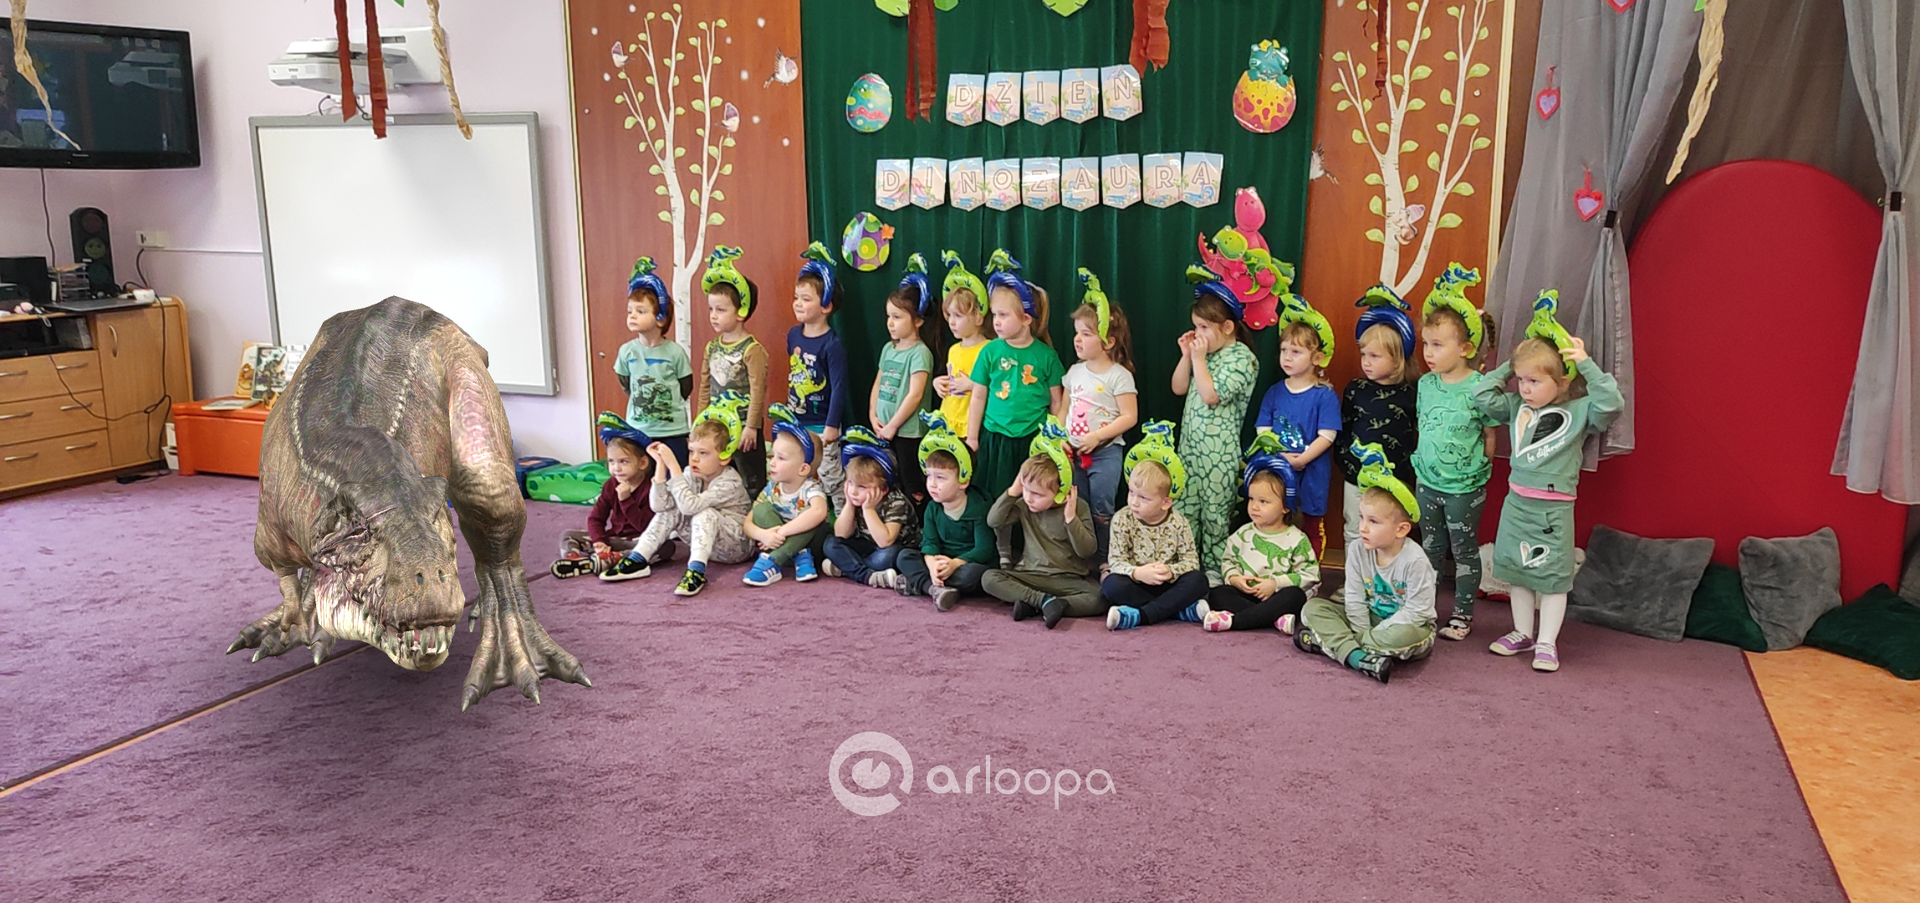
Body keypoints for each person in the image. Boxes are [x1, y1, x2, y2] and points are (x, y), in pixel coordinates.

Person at [1474, 290, 1624, 673]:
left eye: (1534, 381)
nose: (1525, 388)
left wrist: (1585, 363)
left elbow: (1612, 403)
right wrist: (1509, 367)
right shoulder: (1515, 406)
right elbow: (1481, 395)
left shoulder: (1580, 411)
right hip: (1517, 504)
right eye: (1521, 380)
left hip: (1553, 511)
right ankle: (1522, 632)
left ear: (1560, 382)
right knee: (1517, 573)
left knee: (1553, 579)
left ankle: (1546, 642)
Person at [1294, 445, 1437, 683]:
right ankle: (1356, 656)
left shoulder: (1416, 561)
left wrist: (1371, 634)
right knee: (1312, 608)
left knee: (1406, 637)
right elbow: (1354, 597)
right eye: (1361, 517)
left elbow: (1417, 612)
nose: (1363, 528)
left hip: (1404, 626)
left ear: (1401, 529)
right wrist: (1361, 630)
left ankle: (1335, 646)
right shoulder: (1358, 549)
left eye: (1373, 522)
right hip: (1366, 619)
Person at [1412, 263, 1499, 640]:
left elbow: (1491, 435)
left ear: (1465, 348)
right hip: (1427, 483)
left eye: (1438, 345)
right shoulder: (1425, 384)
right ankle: (1424, 611)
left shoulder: (1480, 387)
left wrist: (1478, 472)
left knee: (1463, 552)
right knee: (1429, 550)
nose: (1428, 353)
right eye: (1426, 343)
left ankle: (1462, 616)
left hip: (1464, 487)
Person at [606, 394, 756, 596]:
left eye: (703, 453)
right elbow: (659, 506)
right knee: (671, 508)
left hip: (737, 546)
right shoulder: (691, 474)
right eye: (692, 451)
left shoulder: (730, 481)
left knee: (703, 512)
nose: (694, 459)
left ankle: (696, 571)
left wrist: (673, 466)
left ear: (724, 457)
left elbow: (689, 506)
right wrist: (661, 466)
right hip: (706, 543)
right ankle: (639, 558)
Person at [1173, 266, 1260, 579]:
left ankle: (1214, 574)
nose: (1197, 334)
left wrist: (1198, 360)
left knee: (1214, 517)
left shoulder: (1242, 358)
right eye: (1195, 326)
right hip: (1190, 451)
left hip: (1219, 457)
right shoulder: (1203, 354)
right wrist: (1187, 356)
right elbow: (1178, 388)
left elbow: (1211, 395)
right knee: (1185, 513)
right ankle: (1185, 569)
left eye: (1204, 327)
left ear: (1227, 327)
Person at [981, 420, 1100, 629]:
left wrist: (1071, 520)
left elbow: (1087, 550)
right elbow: (994, 520)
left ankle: (1036, 605)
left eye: (1037, 494)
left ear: (1060, 492)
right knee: (989, 578)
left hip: (1067, 578)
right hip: (1030, 575)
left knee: (1098, 598)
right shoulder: (1023, 504)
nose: (1029, 497)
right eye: (1026, 490)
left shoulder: (1077, 506)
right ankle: (1044, 602)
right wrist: (1013, 491)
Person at [1337, 285, 1419, 583]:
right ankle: (1355, 585)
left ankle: (1389, 587)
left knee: (1390, 533)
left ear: (1398, 358)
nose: (1366, 361)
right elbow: (1344, 430)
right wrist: (1349, 467)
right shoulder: (1356, 389)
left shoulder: (1413, 393)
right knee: (1355, 529)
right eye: (1364, 354)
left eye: (1375, 355)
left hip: (1395, 479)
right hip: (1357, 477)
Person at [1201, 434, 1320, 633]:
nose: (1254, 507)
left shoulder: (1297, 539)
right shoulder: (1242, 534)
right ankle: (1273, 619)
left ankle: (1236, 622)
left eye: (1263, 502)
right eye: (1251, 499)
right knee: (1218, 593)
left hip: (1277, 595)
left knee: (1295, 596)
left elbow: (1310, 575)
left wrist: (1275, 584)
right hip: (1246, 593)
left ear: (1285, 507)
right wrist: (1235, 579)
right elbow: (1229, 561)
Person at [1254, 285, 1341, 558]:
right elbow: (1263, 428)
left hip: (1312, 476)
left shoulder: (1324, 395)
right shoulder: (1275, 391)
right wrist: (1280, 455)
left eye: (1296, 352)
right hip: (1278, 472)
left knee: (1311, 527)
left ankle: (1310, 573)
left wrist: (1302, 459)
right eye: (1284, 350)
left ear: (1317, 358)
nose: (1287, 357)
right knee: (1278, 523)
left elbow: (1328, 435)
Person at [1101, 421, 1208, 630]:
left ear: (1166, 502)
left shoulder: (1179, 522)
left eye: (1143, 498)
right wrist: (1138, 573)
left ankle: (1140, 615)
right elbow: (1116, 561)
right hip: (1137, 583)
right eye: (1131, 493)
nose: (1134, 502)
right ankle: (1178, 611)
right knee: (1111, 585)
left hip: (1168, 585)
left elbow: (1191, 562)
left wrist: (1170, 571)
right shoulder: (1122, 518)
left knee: (1198, 581)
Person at [1063, 268, 1139, 565]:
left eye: (1086, 334)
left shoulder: (1119, 376)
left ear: (1108, 341)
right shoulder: (1074, 372)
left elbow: (1129, 416)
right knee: (1077, 506)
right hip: (1073, 453)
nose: (1077, 340)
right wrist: (1059, 437)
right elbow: (1063, 409)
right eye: (1077, 333)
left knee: (1101, 509)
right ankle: (1080, 559)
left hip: (1105, 454)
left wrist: (1097, 437)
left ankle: (1106, 560)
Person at [895, 412, 996, 611]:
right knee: (903, 556)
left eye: (940, 478)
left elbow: (984, 549)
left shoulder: (979, 508)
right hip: (941, 561)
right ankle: (934, 588)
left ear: (963, 481)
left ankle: (923, 584)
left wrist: (955, 563)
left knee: (976, 575)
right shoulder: (933, 507)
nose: (932, 484)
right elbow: (929, 543)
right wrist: (932, 564)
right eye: (929, 476)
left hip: (965, 564)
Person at [697, 246, 770, 495]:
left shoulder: (752, 349)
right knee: (719, 478)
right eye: (711, 309)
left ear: (741, 312)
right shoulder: (711, 347)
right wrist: (700, 424)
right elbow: (705, 386)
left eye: (721, 310)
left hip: (744, 428)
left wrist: (751, 426)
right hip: (717, 428)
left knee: (751, 480)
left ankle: (754, 515)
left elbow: (758, 390)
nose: (713, 316)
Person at [551, 416, 660, 579]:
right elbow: (596, 518)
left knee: (665, 547)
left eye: (624, 461)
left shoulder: (651, 488)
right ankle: (575, 560)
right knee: (568, 534)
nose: (616, 468)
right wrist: (599, 541)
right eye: (611, 462)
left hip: (640, 540)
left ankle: (615, 558)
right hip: (613, 539)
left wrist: (626, 501)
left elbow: (646, 526)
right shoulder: (610, 485)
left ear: (642, 463)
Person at [788, 242, 851, 509]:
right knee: (799, 473)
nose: (798, 303)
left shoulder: (832, 345)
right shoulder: (793, 335)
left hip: (822, 424)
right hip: (797, 420)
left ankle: (842, 516)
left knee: (830, 476)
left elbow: (839, 387)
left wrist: (831, 425)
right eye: (797, 297)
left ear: (825, 306)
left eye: (806, 299)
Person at [613, 257, 694, 464]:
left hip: (673, 431)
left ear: (661, 318)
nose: (632, 316)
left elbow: (686, 387)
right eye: (630, 311)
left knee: (675, 473)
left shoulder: (675, 352)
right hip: (639, 430)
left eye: (640, 311)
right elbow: (626, 383)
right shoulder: (627, 352)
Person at [741, 403, 831, 586]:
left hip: (812, 545)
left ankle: (773, 561)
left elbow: (819, 512)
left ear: (803, 469)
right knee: (761, 509)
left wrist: (781, 532)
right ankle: (799, 556)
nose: (772, 462)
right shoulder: (772, 488)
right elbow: (748, 521)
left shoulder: (811, 488)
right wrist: (764, 535)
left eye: (781, 458)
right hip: (783, 545)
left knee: (812, 518)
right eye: (773, 455)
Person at [872, 254, 937, 500]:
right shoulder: (888, 349)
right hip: (884, 429)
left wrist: (893, 426)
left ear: (918, 320)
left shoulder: (920, 353)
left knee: (911, 483)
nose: (890, 323)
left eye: (897, 317)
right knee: (888, 479)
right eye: (889, 316)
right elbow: (878, 383)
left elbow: (915, 395)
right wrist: (873, 416)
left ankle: (917, 520)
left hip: (908, 434)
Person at [822, 427, 920, 589]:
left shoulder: (896, 502)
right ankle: (867, 576)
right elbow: (841, 534)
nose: (853, 491)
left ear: (883, 489)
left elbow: (885, 541)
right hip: (866, 545)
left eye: (862, 486)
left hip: (891, 548)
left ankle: (848, 568)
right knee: (830, 543)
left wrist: (869, 510)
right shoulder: (854, 497)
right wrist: (849, 504)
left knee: (890, 555)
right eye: (850, 483)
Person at [931, 250, 989, 442]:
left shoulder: (988, 349)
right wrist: (938, 383)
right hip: (949, 422)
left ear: (978, 317)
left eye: (958, 316)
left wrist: (972, 385)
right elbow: (952, 380)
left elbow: (996, 387)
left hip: (970, 427)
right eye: (949, 315)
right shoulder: (953, 350)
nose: (952, 322)